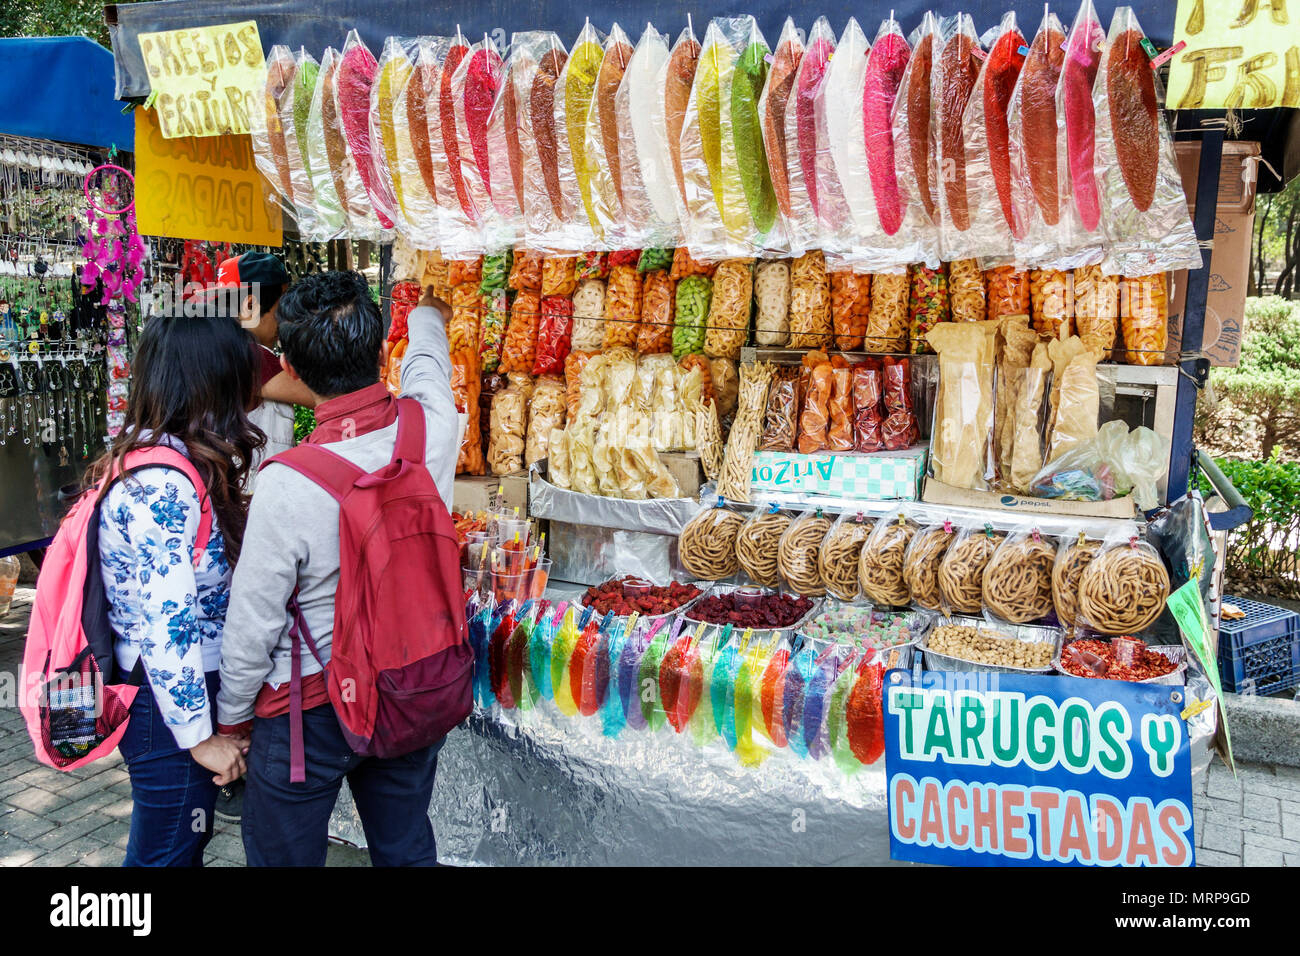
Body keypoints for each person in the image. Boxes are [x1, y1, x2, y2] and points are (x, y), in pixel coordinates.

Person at [217, 270, 459, 866]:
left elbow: (254, 621)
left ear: (291, 370)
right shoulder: (431, 427)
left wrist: (230, 718)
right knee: (405, 846)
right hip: (408, 685)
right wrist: (429, 314)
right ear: (381, 352)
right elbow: (429, 364)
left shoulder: (286, 483)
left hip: (310, 709)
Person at [96, 310, 265, 866]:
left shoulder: (164, 459)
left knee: (178, 847)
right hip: (164, 706)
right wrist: (198, 737)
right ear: (211, 381)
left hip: (171, 698)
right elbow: (167, 624)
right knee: (165, 855)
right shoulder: (161, 485)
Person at [215, 251, 317, 485]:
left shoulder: (220, 349)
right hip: (252, 495)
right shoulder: (250, 357)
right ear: (251, 305)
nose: (287, 318)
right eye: (283, 307)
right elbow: (320, 395)